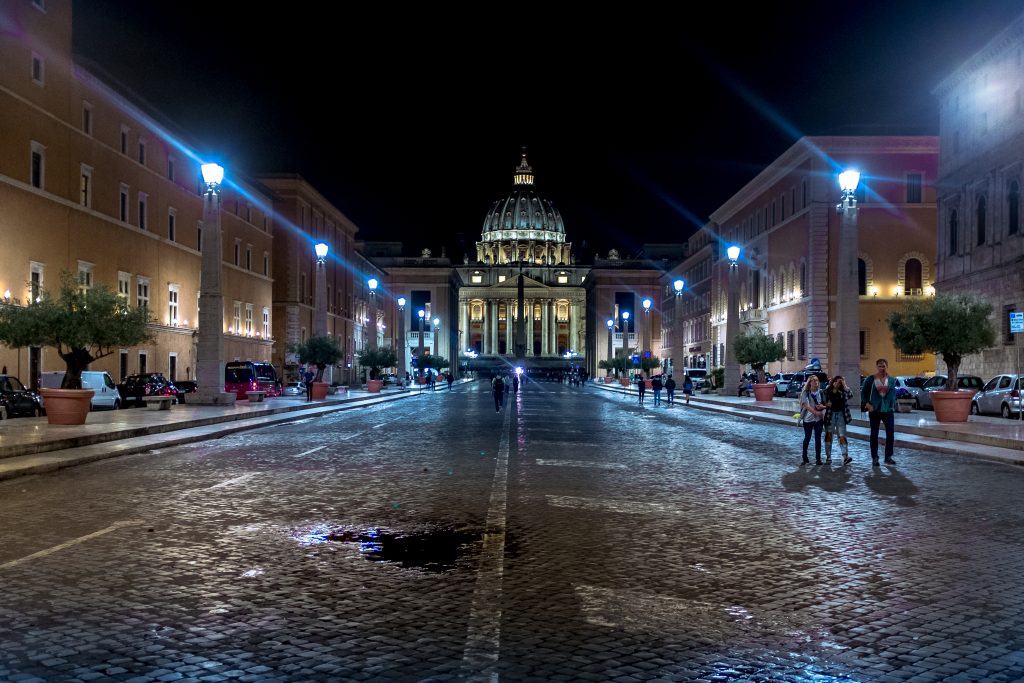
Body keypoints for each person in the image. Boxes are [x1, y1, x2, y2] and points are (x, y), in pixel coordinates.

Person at [862, 358, 898, 466]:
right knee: (874, 434)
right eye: (880, 366)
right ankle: (875, 458)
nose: (882, 368)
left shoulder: (891, 380)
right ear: (877, 367)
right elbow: (863, 393)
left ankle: (888, 457)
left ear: (887, 366)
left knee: (890, 433)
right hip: (875, 409)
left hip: (887, 410)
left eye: (884, 366)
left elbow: (893, 394)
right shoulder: (870, 379)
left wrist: (893, 406)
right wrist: (868, 404)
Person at [823, 375, 854, 466]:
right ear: (832, 382)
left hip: (841, 415)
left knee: (842, 436)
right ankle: (828, 457)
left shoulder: (843, 391)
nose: (837, 383)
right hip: (830, 415)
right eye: (836, 381)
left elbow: (850, 395)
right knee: (829, 436)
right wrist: (826, 404)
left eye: (839, 382)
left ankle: (845, 457)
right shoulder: (827, 391)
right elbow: (822, 401)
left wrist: (844, 384)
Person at [798, 375, 827, 465]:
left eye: (817, 380)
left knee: (818, 439)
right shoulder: (805, 393)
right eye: (813, 380)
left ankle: (818, 459)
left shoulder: (821, 392)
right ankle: (804, 457)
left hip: (818, 419)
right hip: (808, 419)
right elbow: (806, 405)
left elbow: (825, 404)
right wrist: (815, 412)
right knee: (807, 438)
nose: (816, 382)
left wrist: (822, 407)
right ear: (810, 382)